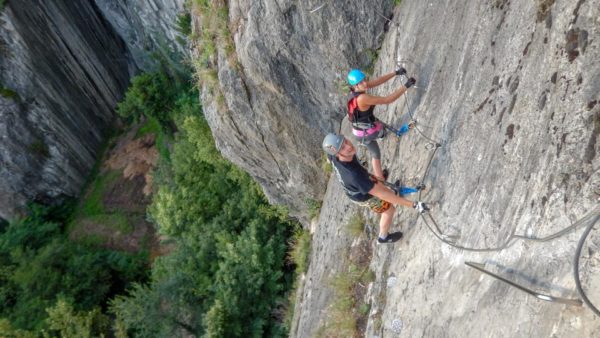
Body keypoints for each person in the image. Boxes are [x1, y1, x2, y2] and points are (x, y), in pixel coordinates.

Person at [322, 133, 429, 244]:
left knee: (382, 187)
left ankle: (393, 192)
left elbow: (328, 156)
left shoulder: (333, 155)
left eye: (346, 141)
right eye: (343, 148)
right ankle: (383, 237)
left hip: (357, 183)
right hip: (363, 195)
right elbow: (382, 194)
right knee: (389, 209)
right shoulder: (354, 176)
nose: (349, 146)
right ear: (337, 153)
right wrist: (414, 205)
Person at [346, 67, 416, 181]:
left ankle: (381, 180)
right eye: (361, 82)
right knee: (380, 130)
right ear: (356, 85)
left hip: (358, 133)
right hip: (369, 131)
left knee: (375, 154)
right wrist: (406, 86)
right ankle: (381, 134)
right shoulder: (363, 98)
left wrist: (395, 73)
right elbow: (387, 100)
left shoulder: (354, 92)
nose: (365, 83)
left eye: (364, 80)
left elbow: (377, 81)